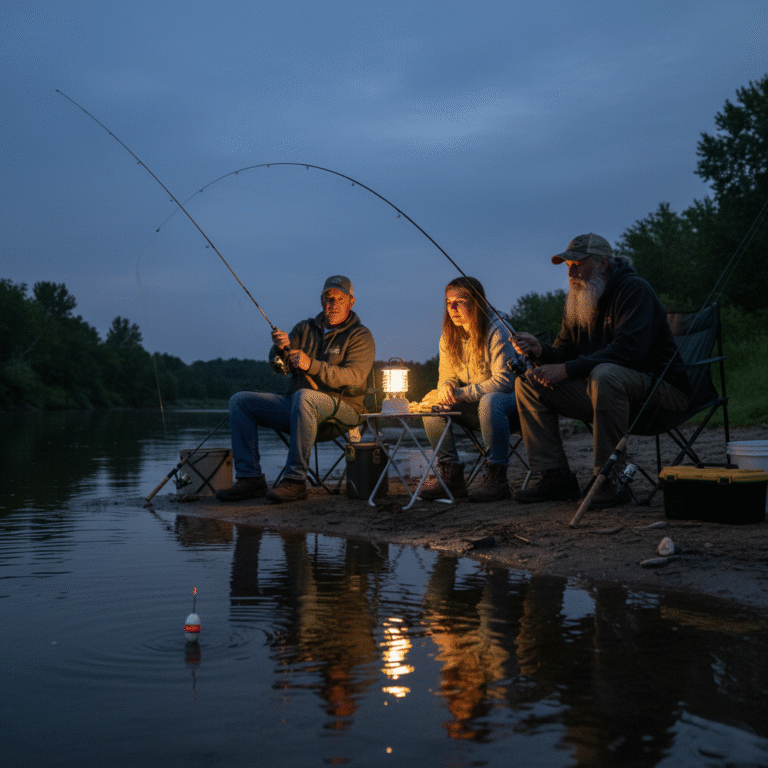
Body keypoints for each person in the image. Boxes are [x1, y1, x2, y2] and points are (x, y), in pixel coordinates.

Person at [511, 234, 690, 508]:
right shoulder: (578, 298)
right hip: (607, 394)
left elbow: (630, 351)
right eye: (567, 265)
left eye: (577, 264)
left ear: (603, 264)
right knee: (528, 383)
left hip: (660, 391)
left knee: (605, 374)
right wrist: (541, 351)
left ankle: (608, 479)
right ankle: (555, 476)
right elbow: (565, 351)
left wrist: (568, 369)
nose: (570, 271)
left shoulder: (634, 291)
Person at [216, 275, 375, 503]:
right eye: (329, 299)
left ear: (351, 302)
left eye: (340, 299)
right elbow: (280, 368)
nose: (333, 305)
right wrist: (279, 350)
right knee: (239, 401)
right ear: (321, 301)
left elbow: (354, 377)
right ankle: (249, 478)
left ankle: (295, 480)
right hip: (296, 407)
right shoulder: (304, 328)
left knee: (305, 397)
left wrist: (311, 364)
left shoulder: (361, 335)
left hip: (344, 410)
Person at [420, 276, 522, 503]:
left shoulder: (497, 331)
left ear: (476, 303)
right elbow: (446, 376)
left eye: (460, 301)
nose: (453, 308)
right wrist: (447, 387)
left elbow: (505, 381)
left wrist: (461, 394)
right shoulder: (449, 335)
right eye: (448, 302)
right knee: (431, 402)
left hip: (512, 407)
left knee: (490, 401)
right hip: (476, 406)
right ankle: (451, 475)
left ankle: (497, 477)